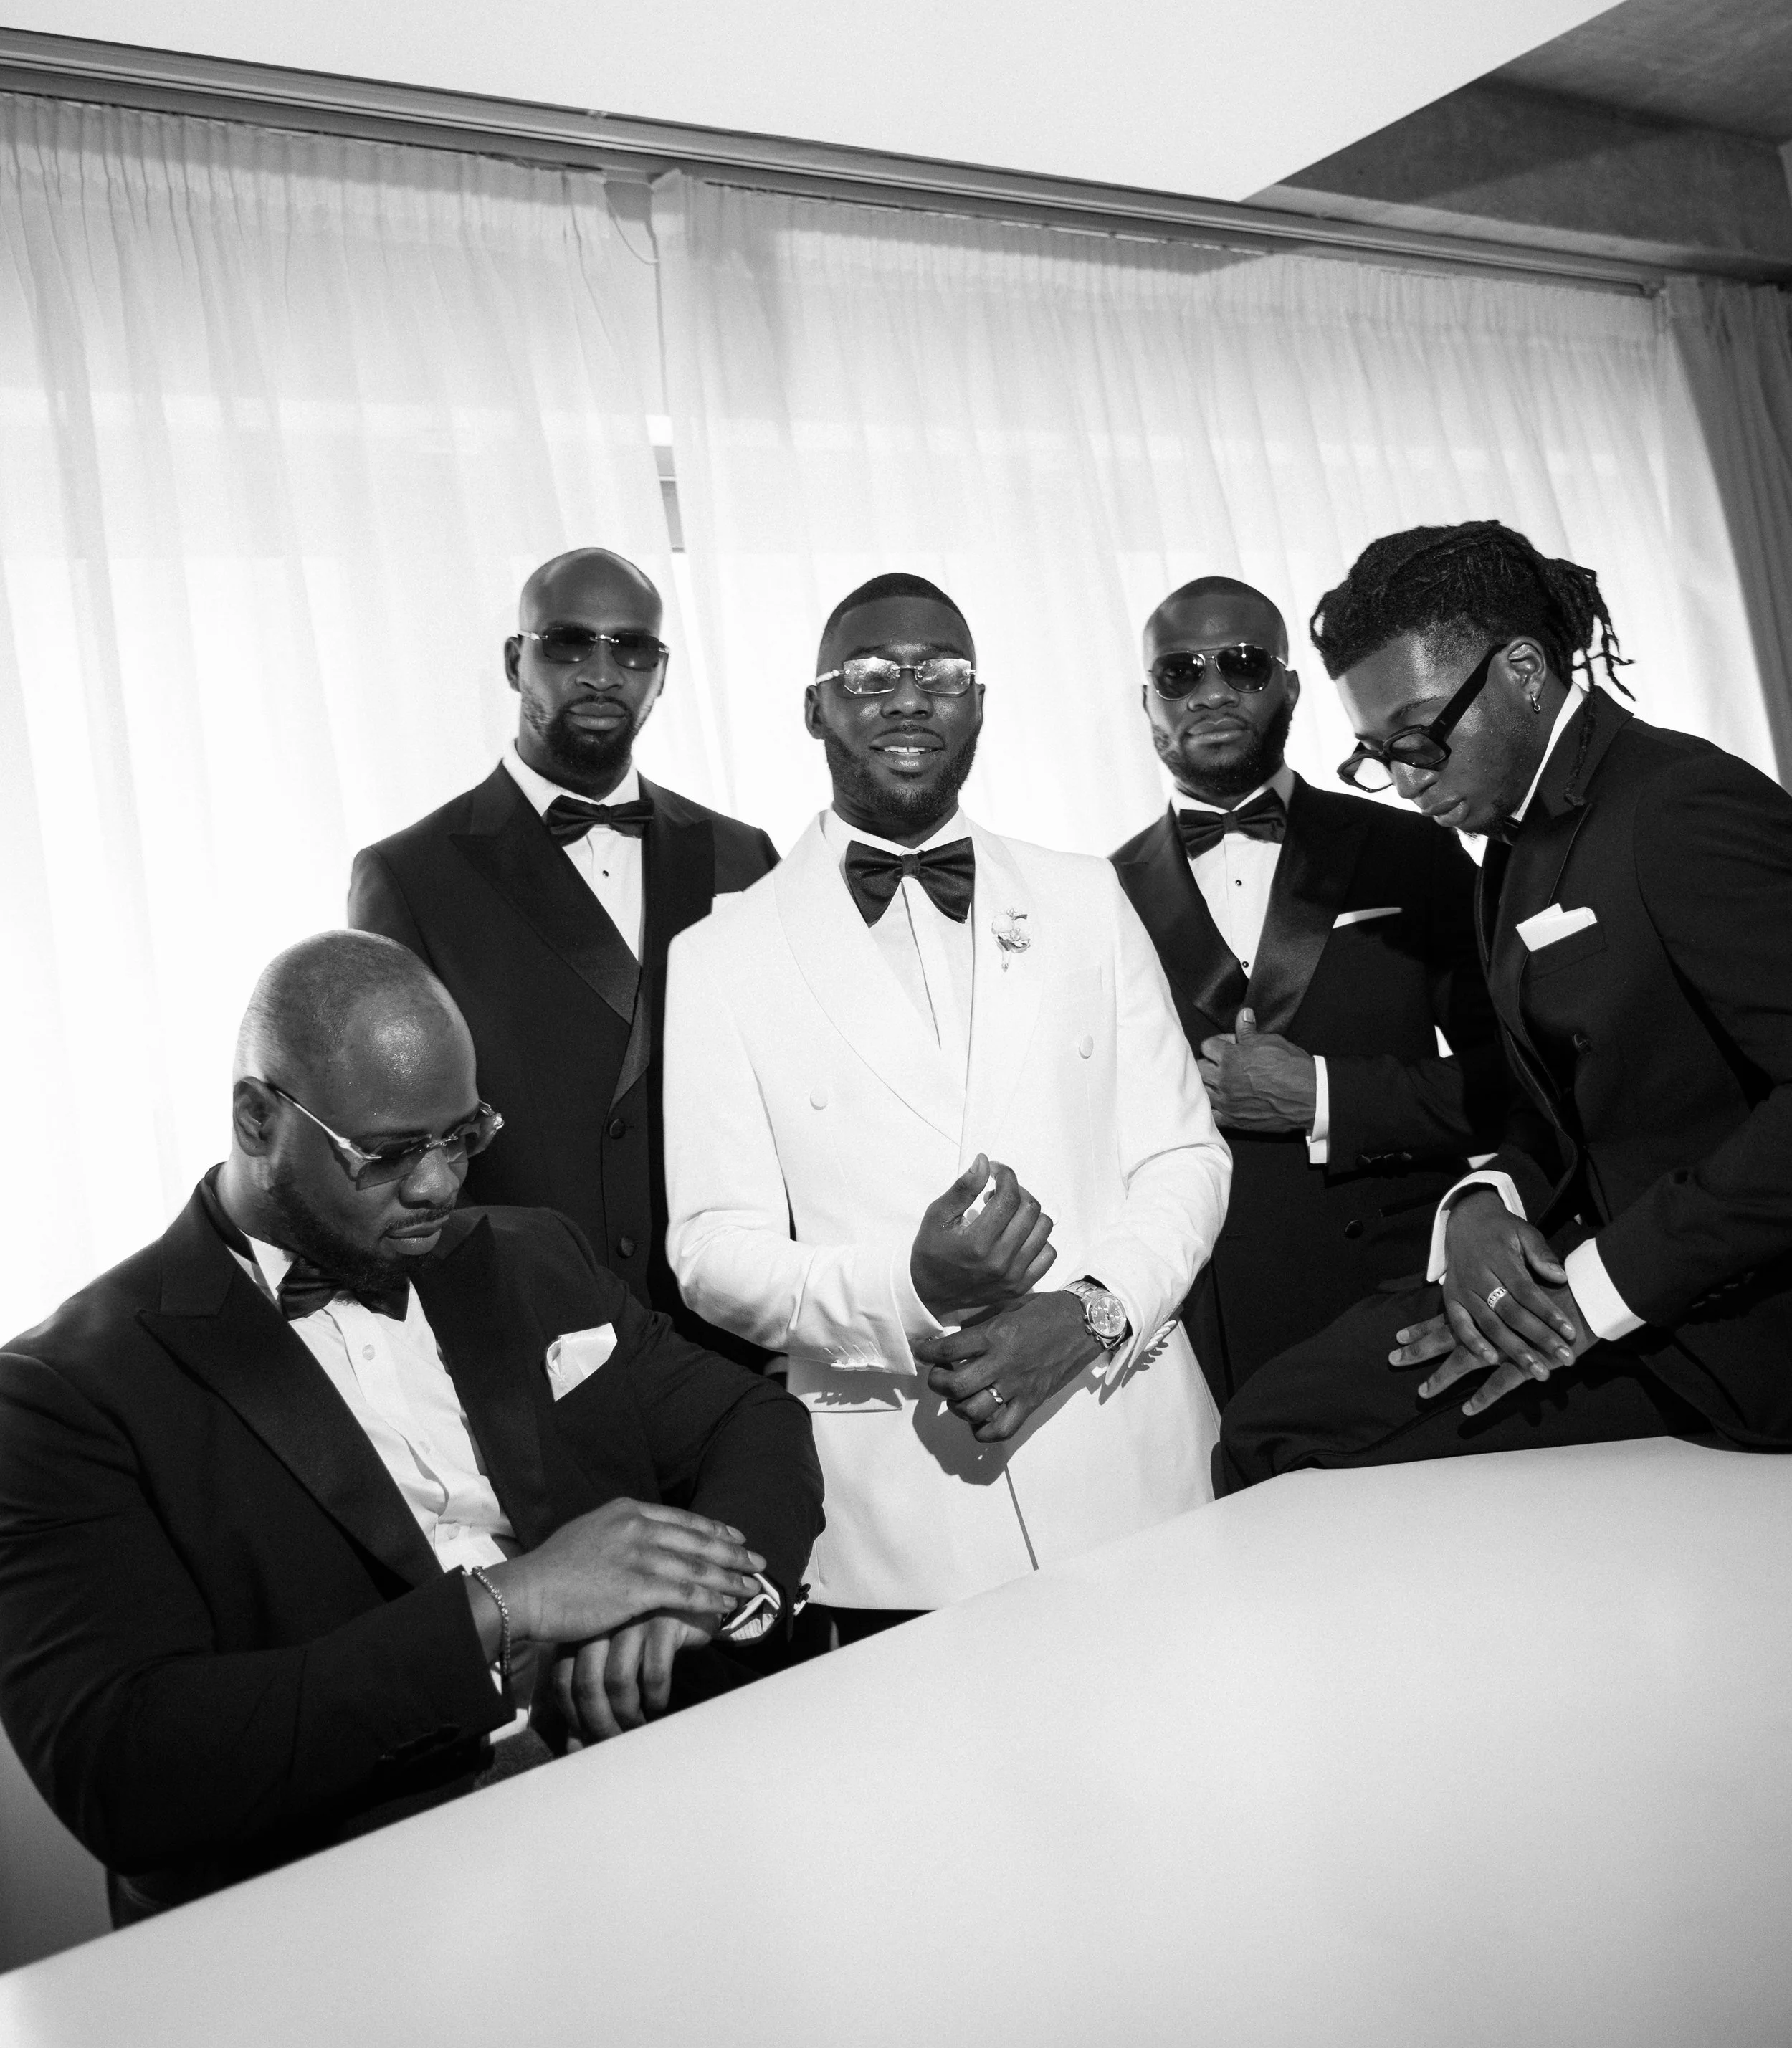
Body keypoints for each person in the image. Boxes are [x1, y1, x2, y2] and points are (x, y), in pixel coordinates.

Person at [0, 932, 822, 1920]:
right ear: (257, 1118)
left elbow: (753, 1419)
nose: (438, 1185)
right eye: (386, 1155)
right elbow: (127, 1768)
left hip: (655, 1798)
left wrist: (692, 1597)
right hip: (348, 1898)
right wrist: (509, 1602)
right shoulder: (61, 1390)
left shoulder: (533, 1255)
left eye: (462, 1135)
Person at [662, 571, 1230, 1641]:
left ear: (979, 703)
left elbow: (1184, 1157)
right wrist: (910, 1286)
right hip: (903, 1522)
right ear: (814, 706)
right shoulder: (720, 956)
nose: (909, 696)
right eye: (870, 674)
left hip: (1138, 1458)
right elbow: (710, 1248)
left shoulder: (1083, 897)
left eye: (943, 674)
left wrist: (1092, 1311)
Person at [1217, 518, 1792, 1490]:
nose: (1404, 779)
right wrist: (1487, 1198)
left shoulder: (1680, 805)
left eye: (1421, 737)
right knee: (1278, 1411)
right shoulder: (1509, 844)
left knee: (1289, 1430)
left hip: (1726, 1326)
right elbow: (1560, 1102)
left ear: (1523, 669)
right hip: (1585, 1266)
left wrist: (1597, 1291)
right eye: (1375, 753)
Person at [348, 548, 776, 1338]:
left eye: (631, 647)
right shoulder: (409, 875)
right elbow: (399, 1140)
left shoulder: (743, 856)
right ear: (518, 660)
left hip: (736, 1331)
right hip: (536, 1337)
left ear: (662, 670)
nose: (603, 673)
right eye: (570, 643)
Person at [1112, 574, 1505, 1404]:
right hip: (1194, 1316)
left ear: (1290, 686)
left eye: (1244, 665)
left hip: (1396, 1291)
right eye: (1180, 673)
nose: (1212, 690)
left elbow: (1514, 1075)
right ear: (1146, 702)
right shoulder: (1096, 895)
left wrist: (1326, 1094)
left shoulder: (1412, 850)